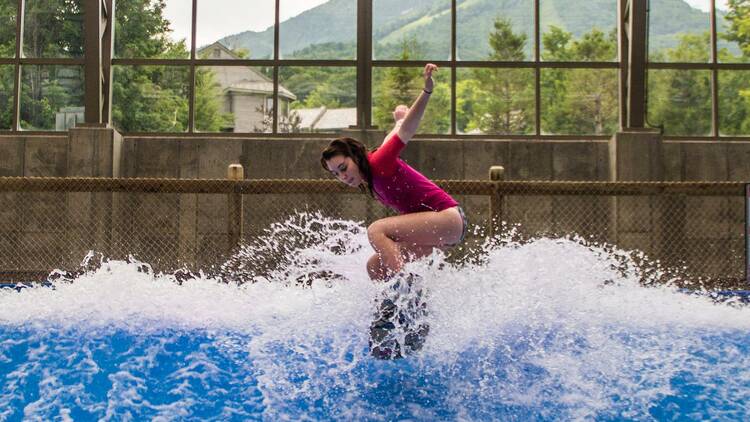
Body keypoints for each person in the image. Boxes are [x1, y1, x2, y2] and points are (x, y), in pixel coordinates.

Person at [320, 63, 468, 282]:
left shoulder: (379, 162)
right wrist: (398, 120)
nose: (343, 176)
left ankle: (403, 285)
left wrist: (427, 91)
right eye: (336, 174)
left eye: (343, 168)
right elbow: (394, 133)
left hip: (448, 219)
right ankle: (404, 312)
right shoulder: (371, 175)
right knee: (375, 267)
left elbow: (407, 130)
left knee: (376, 230)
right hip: (438, 232)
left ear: (356, 156)